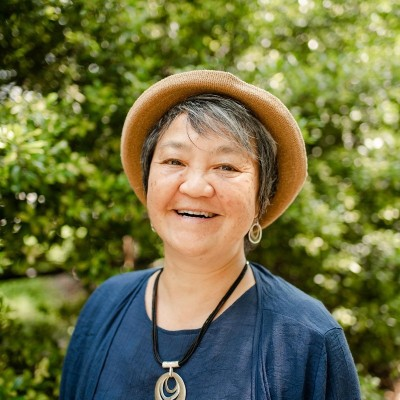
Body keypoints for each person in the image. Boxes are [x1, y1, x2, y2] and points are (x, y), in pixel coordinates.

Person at [60, 70, 361, 399]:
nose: (195, 187)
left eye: (226, 167)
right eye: (174, 161)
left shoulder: (307, 337)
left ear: (261, 198)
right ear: (148, 182)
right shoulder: (105, 307)